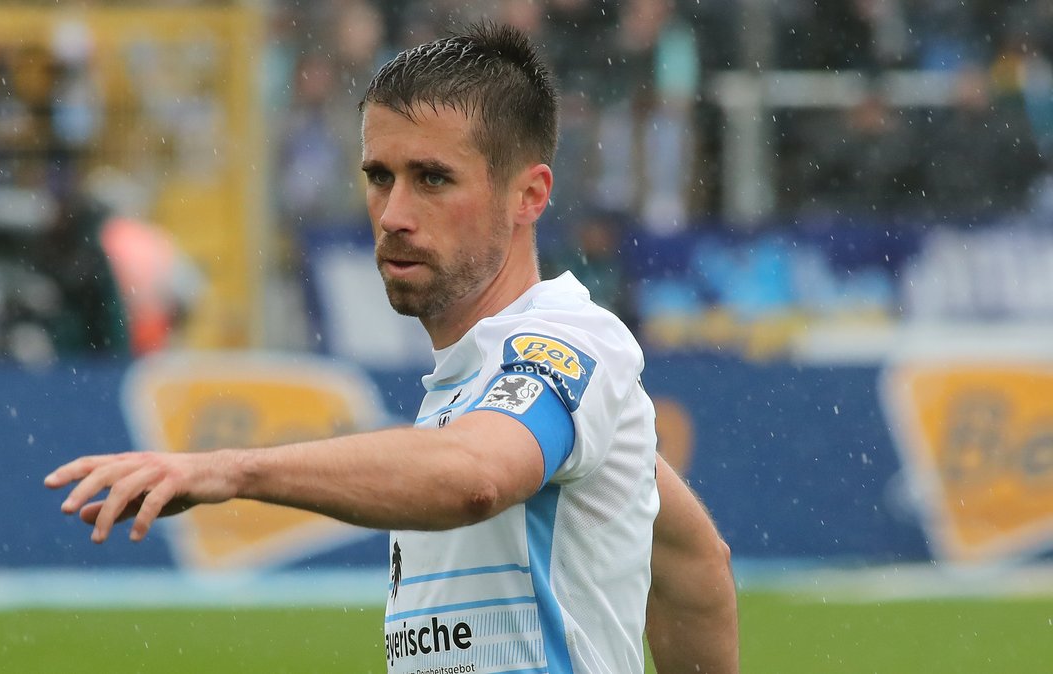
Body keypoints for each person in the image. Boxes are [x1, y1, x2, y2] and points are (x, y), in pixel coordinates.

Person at [46, 23, 737, 674]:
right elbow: (692, 561)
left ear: (529, 195)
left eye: (433, 179)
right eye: (380, 176)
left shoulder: (564, 341)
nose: (395, 215)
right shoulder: (476, 384)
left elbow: (476, 476)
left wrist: (234, 471)